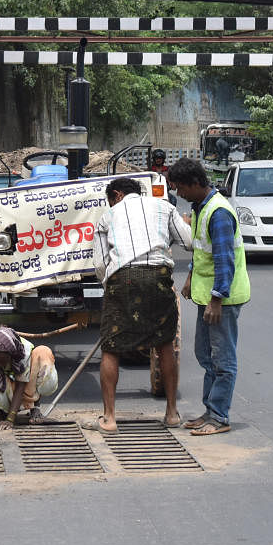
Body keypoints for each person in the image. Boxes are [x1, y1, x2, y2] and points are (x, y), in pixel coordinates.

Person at [83, 177, 192, 432]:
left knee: (111, 347)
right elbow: (188, 241)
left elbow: (100, 265)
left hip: (123, 277)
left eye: (111, 200)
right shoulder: (165, 207)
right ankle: (172, 413)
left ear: (118, 195)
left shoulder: (107, 217)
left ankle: (109, 418)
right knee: (165, 344)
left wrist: (111, 286)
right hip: (159, 276)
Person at [167, 158, 251, 436]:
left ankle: (219, 416)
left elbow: (224, 259)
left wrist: (217, 299)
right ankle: (210, 410)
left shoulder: (218, 213)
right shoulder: (200, 207)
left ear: (194, 183)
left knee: (222, 359)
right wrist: (191, 278)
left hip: (222, 300)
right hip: (207, 296)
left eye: (180, 188)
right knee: (205, 355)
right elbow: (202, 252)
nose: (179, 194)